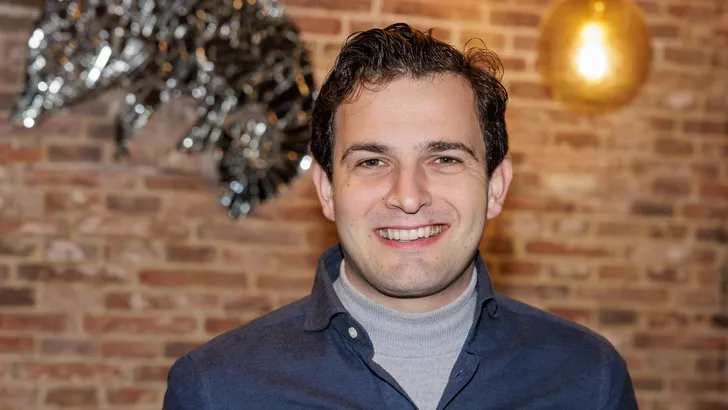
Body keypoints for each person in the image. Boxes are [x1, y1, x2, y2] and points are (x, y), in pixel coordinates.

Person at [162, 23, 638, 410]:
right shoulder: (217, 390)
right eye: (372, 161)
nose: (408, 197)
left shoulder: (589, 379)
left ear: (495, 186)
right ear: (327, 191)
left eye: (444, 158)